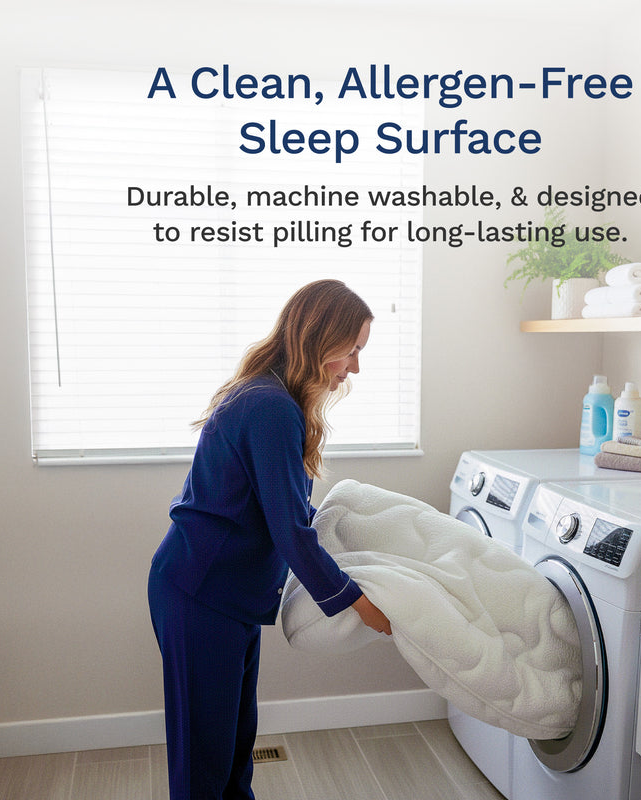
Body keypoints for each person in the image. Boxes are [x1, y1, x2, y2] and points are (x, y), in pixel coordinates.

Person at [148, 279, 391, 800]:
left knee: (234, 750)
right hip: (201, 594)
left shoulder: (274, 397)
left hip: (225, 594)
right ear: (319, 337)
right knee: (203, 762)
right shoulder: (269, 406)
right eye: (351, 350)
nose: (354, 367)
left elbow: (286, 510)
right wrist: (356, 601)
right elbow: (288, 529)